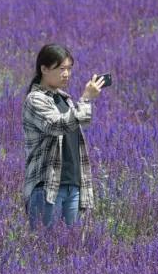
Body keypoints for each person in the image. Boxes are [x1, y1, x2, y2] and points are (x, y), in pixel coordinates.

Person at [22, 43, 106, 228]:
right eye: (61, 69)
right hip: (48, 186)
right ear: (44, 69)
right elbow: (56, 125)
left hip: (72, 183)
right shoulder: (35, 99)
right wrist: (85, 100)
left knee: (69, 248)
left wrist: (84, 101)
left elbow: (82, 120)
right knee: (45, 248)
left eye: (69, 69)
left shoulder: (64, 98)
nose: (66, 74)